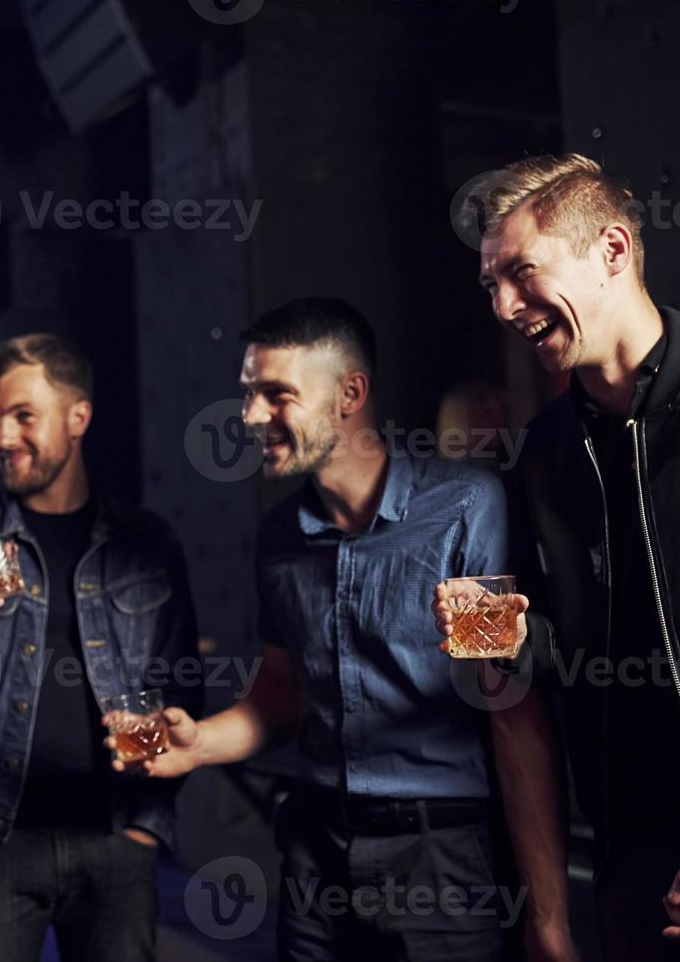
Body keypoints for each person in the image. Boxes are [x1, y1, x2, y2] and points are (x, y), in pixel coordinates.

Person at [434, 152, 680, 961]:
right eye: (490, 286)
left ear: (613, 250)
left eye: (521, 272)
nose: (505, 306)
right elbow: (523, 669)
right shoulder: (539, 454)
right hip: (637, 887)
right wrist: (491, 642)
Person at [128, 298, 517, 960]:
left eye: (276, 395)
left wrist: (494, 648)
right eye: (249, 395)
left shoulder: (467, 507)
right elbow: (280, 695)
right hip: (315, 849)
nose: (250, 417)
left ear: (350, 393)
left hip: (442, 858)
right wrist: (196, 745)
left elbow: (504, 697)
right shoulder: (280, 536)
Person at [0, 333, 202, 962]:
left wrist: (147, 824)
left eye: (23, 416)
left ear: (78, 417)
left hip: (117, 839)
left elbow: (180, 685)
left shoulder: (146, 541)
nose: (2, 437)